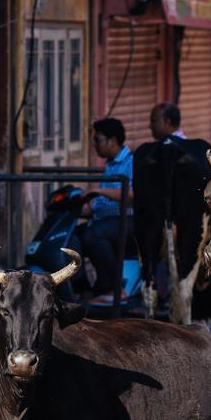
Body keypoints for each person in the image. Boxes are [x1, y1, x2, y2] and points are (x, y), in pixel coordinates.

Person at [78, 117, 133, 300]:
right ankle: (86, 287)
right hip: (106, 219)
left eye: (98, 140)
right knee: (74, 236)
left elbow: (132, 194)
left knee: (94, 235)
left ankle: (115, 289)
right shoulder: (109, 164)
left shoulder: (129, 163)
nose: (95, 145)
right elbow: (101, 202)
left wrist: (98, 191)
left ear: (113, 141)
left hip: (127, 220)